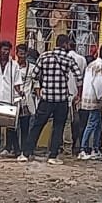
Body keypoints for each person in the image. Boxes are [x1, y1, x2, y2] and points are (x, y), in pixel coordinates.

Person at [20, 34, 82, 164]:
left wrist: (44, 84)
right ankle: (53, 156)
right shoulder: (68, 58)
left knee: (37, 125)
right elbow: (79, 77)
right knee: (58, 127)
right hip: (61, 99)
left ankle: (27, 153)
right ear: (65, 44)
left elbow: (35, 75)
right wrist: (77, 92)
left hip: (46, 98)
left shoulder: (44, 56)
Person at [77, 47, 102, 161]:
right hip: (95, 98)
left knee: (98, 124)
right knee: (92, 124)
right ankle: (83, 149)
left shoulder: (92, 64)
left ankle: (95, 149)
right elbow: (98, 83)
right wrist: (101, 97)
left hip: (88, 95)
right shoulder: (100, 66)